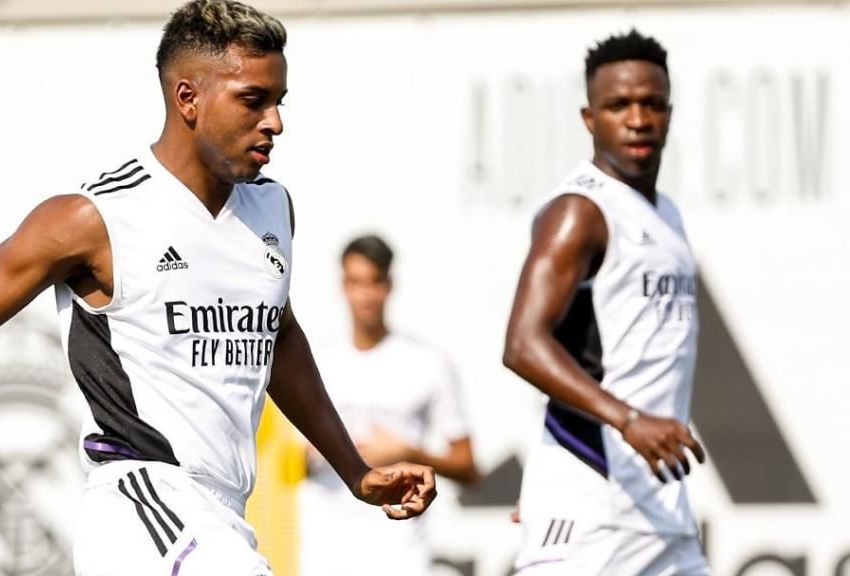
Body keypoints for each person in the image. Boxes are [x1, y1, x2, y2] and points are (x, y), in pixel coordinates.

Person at [0, 2, 436, 574]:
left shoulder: (272, 207)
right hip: (140, 500)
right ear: (188, 99)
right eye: (253, 101)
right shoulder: (95, 217)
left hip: (224, 513)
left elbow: (277, 337)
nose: (274, 122)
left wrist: (355, 470)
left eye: (279, 102)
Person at [502, 30, 709, 575]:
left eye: (651, 104)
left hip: (661, 510)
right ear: (590, 119)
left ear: (669, 112)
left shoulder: (666, 214)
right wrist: (628, 420)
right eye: (618, 105)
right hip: (590, 505)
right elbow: (523, 345)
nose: (637, 118)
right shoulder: (580, 210)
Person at [300, 235, 478, 576]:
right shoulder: (315, 362)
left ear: (389, 285)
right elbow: (275, 457)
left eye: (375, 282)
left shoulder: (427, 363)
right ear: (343, 285)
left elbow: (468, 467)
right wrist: (307, 453)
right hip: (326, 550)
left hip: (399, 552)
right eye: (356, 282)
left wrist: (406, 451)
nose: (365, 295)